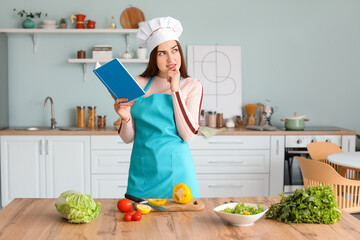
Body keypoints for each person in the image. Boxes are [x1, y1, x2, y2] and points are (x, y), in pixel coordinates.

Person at [114, 17, 203, 199]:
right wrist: (125, 118)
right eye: (162, 53)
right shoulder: (137, 84)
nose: (171, 58)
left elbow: (188, 134)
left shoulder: (191, 85)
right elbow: (128, 138)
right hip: (143, 172)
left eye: (174, 50)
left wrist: (175, 89)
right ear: (153, 57)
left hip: (178, 175)